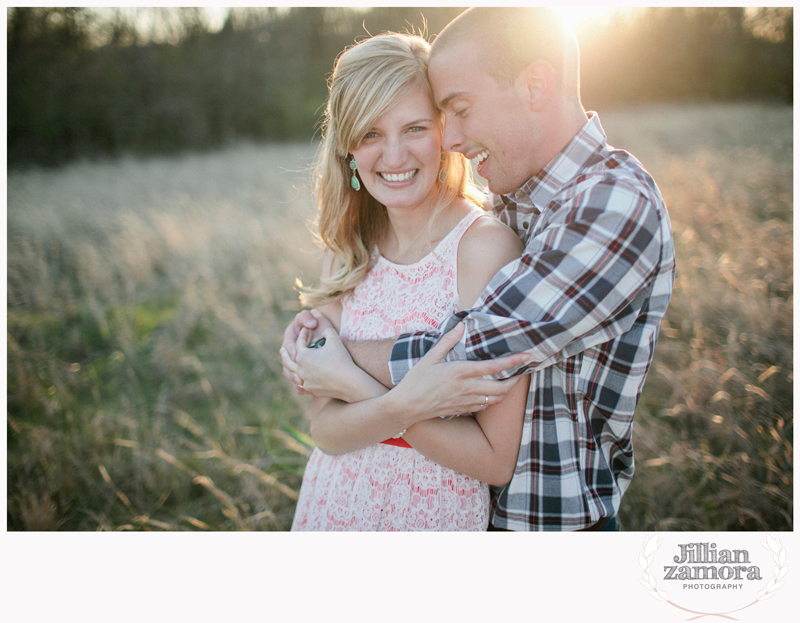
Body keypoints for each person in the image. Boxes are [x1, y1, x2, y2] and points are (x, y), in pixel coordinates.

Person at [283, 7, 676, 532]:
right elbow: (326, 421)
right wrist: (334, 373)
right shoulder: (515, 196)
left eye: (457, 112)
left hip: (550, 526)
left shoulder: (611, 205)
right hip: (390, 509)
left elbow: (469, 358)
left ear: (535, 86)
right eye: (371, 132)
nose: (451, 139)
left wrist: (330, 357)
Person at [286, 31, 530, 531]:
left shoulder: (484, 249)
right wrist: (405, 402)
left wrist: (353, 383)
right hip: (334, 505)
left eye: (414, 128)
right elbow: (326, 431)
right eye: (371, 134)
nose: (393, 157)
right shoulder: (348, 253)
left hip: (432, 513)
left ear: (445, 133)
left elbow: (493, 457)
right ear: (348, 149)